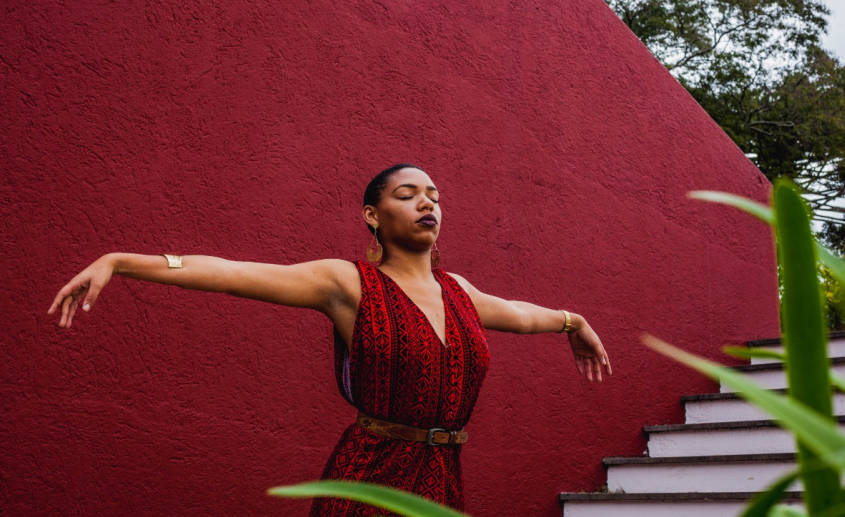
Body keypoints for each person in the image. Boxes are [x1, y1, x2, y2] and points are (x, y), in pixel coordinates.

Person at [48, 163, 612, 515]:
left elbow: (518, 313)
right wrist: (120, 261)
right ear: (373, 214)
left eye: (435, 195)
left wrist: (573, 321)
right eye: (409, 194)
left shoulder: (459, 290)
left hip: (441, 481)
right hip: (369, 476)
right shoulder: (347, 283)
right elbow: (230, 272)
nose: (428, 203)